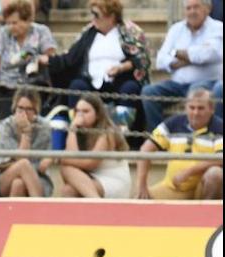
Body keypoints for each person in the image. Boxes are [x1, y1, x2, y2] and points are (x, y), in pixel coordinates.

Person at [49, 0, 149, 113]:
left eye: (96, 15)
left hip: (119, 81)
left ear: (111, 16)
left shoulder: (130, 31)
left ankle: (123, 127)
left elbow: (142, 59)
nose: (93, 19)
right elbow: (70, 58)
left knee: (130, 88)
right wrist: (48, 61)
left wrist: (121, 68)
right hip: (90, 81)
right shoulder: (88, 32)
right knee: (76, 85)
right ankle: (78, 125)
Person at [141, 0, 222, 132]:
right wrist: (191, 56)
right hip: (177, 83)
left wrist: (175, 53)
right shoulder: (176, 29)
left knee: (195, 91)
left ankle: (191, 138)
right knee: (149, 92)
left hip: (207, 82)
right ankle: (158, 137)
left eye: (196, 7)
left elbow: (209, 54)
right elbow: (161, 60)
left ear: (208, 9)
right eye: (188, 8)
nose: (192, 12)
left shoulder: (218, 27)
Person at [136, 87, 223, 200]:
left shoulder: (219, 126)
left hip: (202, 189)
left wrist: (188, 172)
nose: (195, 113)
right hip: (174, 187)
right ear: (186, 107)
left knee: (215, 174)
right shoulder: (174, 122)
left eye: (201, 108)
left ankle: (207, 216)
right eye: (192, 108)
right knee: (138, 202)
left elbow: (220, 158)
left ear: (212, 109)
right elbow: (146, 149)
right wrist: (141, 185)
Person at [43, 92, 131, 198]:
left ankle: (96, 201)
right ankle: (94, 201)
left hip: (112, 178)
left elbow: (91, 163)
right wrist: (72, 129)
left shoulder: (107, 131)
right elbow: (72, 155)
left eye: (85, 111)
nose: (80, 115)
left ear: (97, 114)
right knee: (68, 190)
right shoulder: (78, 131)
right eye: (77, 111)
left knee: (66, 167)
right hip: (92, 177)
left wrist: (62, 159)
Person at [0, 0, 56, 120]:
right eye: (8, 23)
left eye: (15, 23)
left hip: (31, 82)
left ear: (28, 20)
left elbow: (51, 55)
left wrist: (37, 59)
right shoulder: (4, 32)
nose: (11, 27)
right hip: (5, 82)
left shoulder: (41, 31)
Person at [0, 87, 53, 197]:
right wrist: (26, 133)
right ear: (14, 108)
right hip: (7, 176)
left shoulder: (43, 127)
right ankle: (40, 208)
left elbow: (40, 165)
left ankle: (13, 214)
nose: (24, 114)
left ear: (36, 110)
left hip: (37, 178)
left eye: (29, 109)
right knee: (23, 164)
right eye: (20, 108)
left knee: (18, 184)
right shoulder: (6, 126)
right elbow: (8, 160)